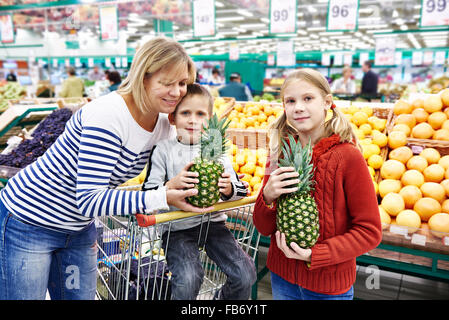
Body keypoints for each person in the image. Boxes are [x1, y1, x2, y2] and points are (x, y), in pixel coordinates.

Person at [0, 37, 211, 300]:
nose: (177, 92)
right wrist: (162, 195)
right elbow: (89, 199)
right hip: (30, 219)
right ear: (142, 78)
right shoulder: (109, 116)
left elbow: (186, 160)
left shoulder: (163, 122)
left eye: (182, 83)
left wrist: (223, 181)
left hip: (78, 226)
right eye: (167, 83)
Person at [253, 68, 382, 300]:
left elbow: (369, 232)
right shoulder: (279, 154)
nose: (298, 107)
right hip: (281, 278)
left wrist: (315, 255)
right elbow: (263, 228)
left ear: (327, 102)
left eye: (308, 98)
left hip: (328, 288)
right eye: (290, 101)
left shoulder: (348, 157)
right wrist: (268, 197)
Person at [141, 83, 256, 300]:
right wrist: (170, 185)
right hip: (177, 228)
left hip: (213, 223)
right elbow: (147, 191)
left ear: (211, 120)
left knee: (245, 275)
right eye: (185, 113)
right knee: (189, 280)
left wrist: (229, 189)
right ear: (172, 118)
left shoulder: (216, 152)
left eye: (201, 114)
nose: (193, 120)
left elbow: (241, 190)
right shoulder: (163, 150)